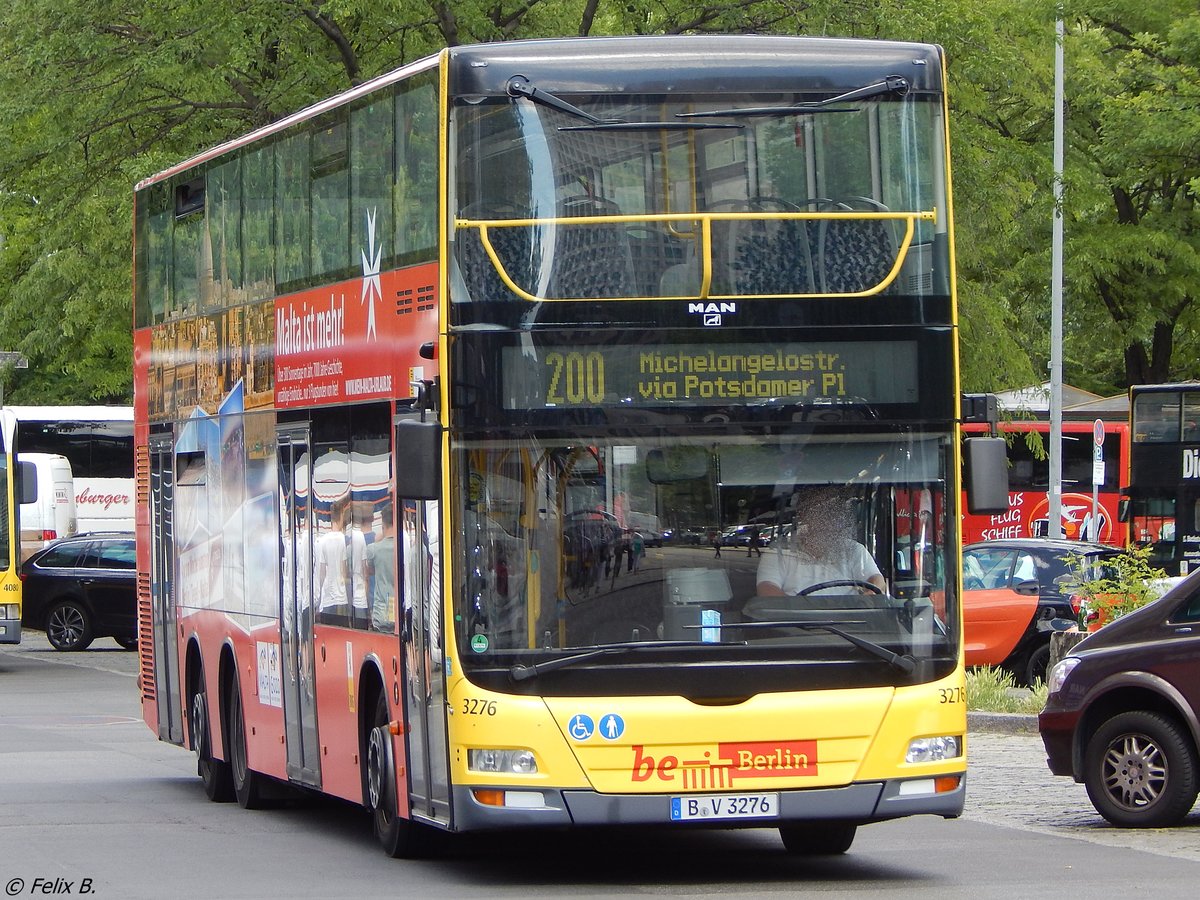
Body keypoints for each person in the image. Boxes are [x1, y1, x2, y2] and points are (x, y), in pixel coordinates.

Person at [756, 487, 886, 596]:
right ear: (804, 515)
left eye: (831, 511)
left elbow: (876, 579)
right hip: (795, 622)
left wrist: (870, 593)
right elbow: (767, 587)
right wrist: (795, 613)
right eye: (818, 511)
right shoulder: (779, 551)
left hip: (848, 621)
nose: (825, 518)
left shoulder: (854, 549)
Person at [366, 502, 396, 632]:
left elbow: (369, 571)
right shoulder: (403, 547)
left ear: (383, 524)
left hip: (380, 611)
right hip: (397, 609)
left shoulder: (374, 549)